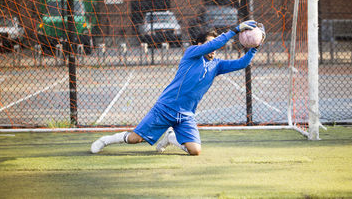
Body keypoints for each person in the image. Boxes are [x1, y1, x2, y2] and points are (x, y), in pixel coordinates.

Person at [90, 20, 265, 155]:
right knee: (136, 138)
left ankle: (171, 138)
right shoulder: (191, 54)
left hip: (186, 115)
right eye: (210, 45)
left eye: (215, 47)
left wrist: (255, 48)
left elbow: (242, 63)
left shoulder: (217, 65)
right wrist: (235, 30)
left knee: (195, 150)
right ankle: (106, 140)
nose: (214, 49)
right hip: (166, 108)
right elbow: (214, 44)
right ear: (200, 46)